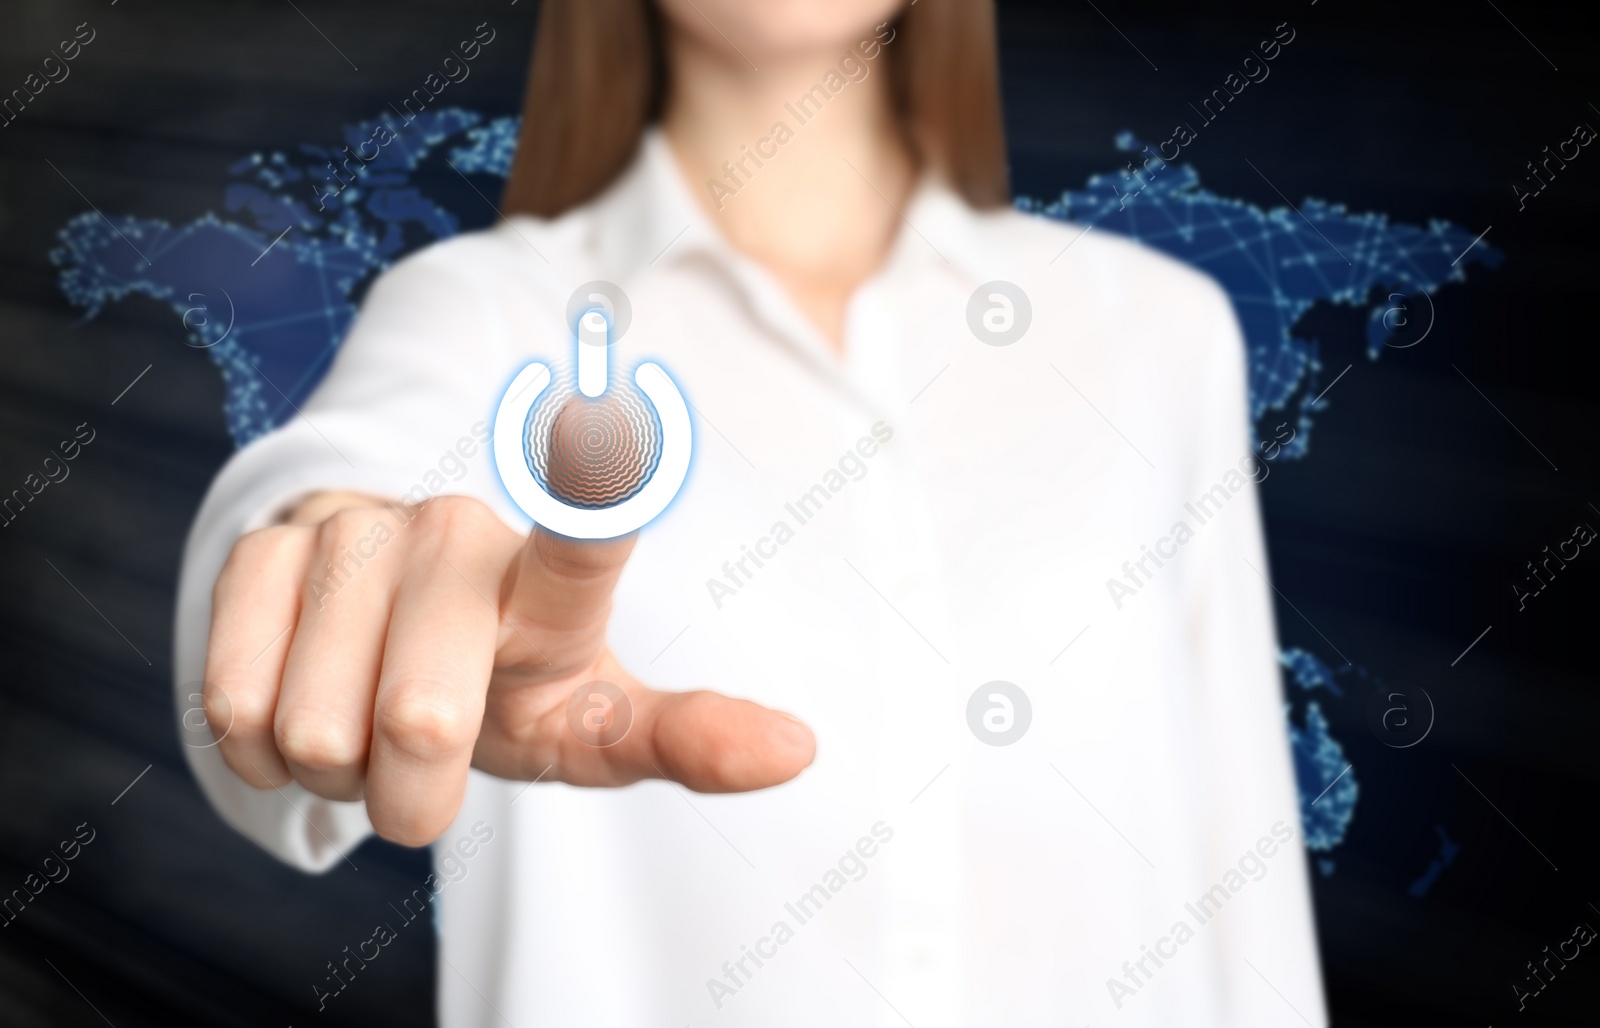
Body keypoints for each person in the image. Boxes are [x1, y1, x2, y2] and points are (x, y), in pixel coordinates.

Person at [174, 0, 1326, 1023]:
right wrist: (330, 565)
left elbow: (1241, 864)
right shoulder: (483, 315)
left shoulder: (1155, 332)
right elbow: (342, 497)